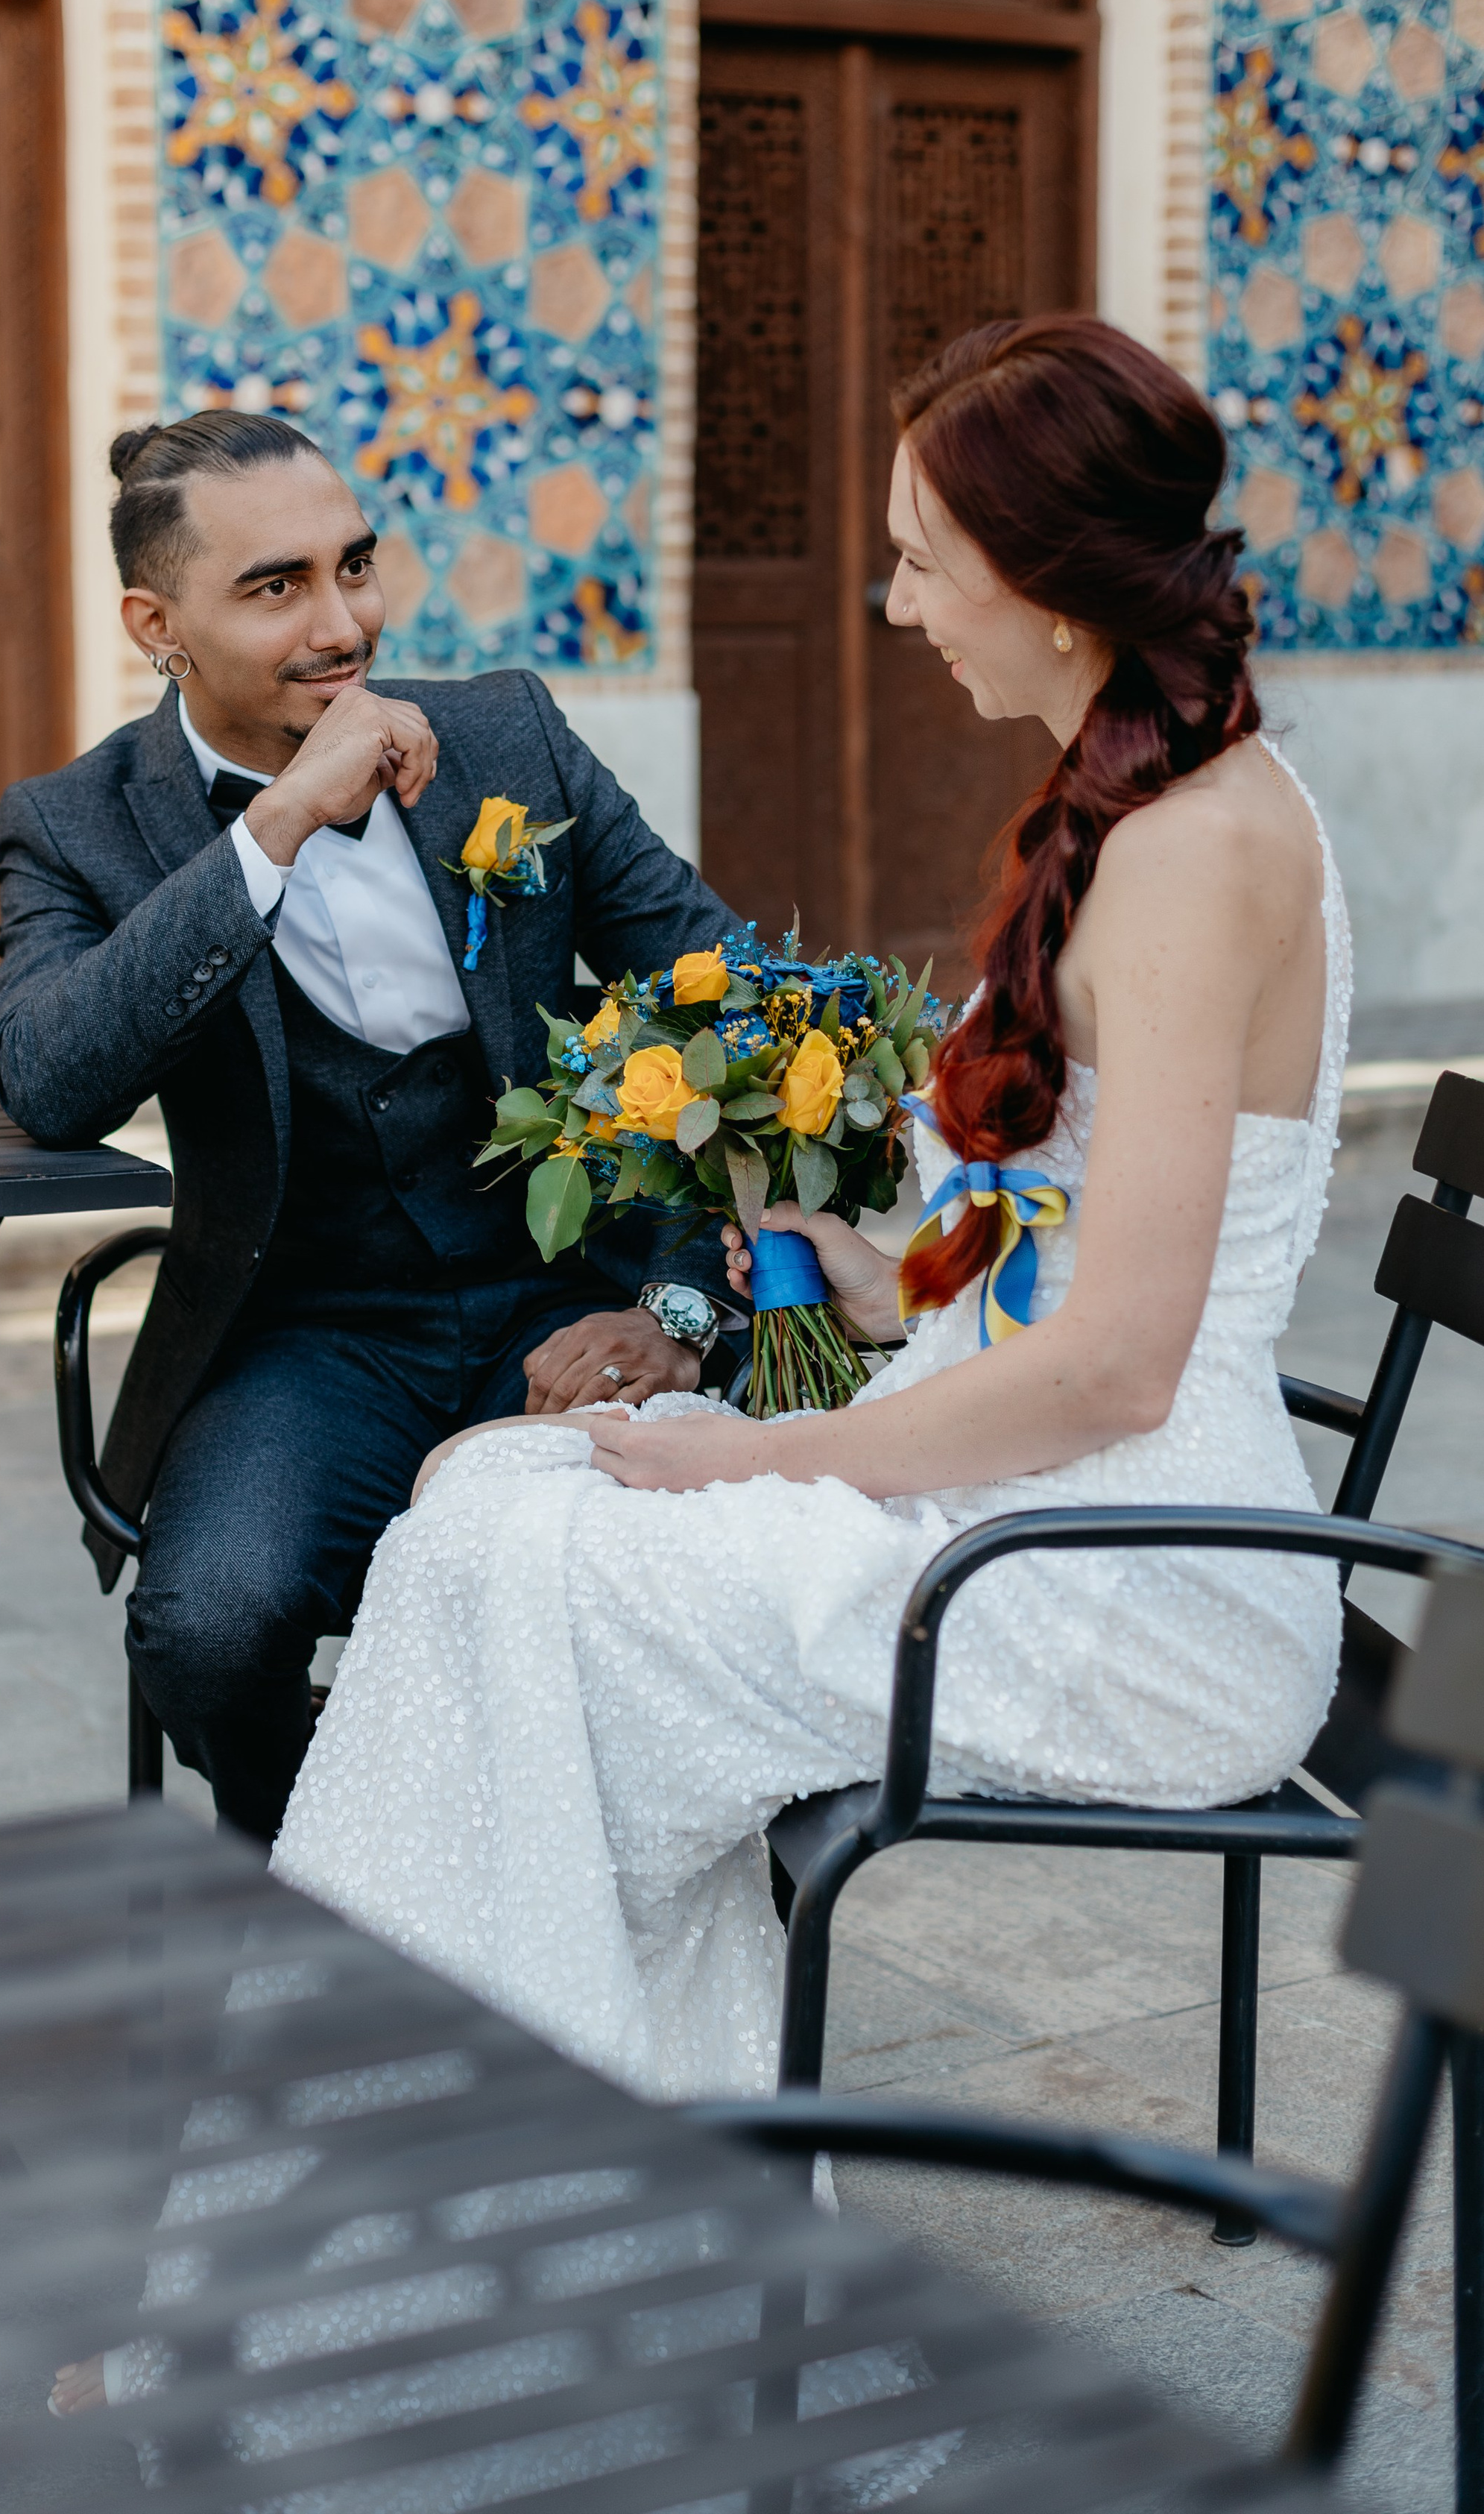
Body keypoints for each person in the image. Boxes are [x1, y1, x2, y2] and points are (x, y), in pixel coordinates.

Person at [274, 315, 1350, 2105]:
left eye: (925, 563)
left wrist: (758, 1462)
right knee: (484, 1499)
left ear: (1054, 588)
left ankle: (444, 2168)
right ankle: (565, 2144)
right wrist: (881, 1279)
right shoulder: (1130, 806)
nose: (898, 602)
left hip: (1129, 1589)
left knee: (502, 1552)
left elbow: (1116, 1374)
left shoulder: (1187, 855)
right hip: (1029, 1511)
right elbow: (1059, 1255)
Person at [0, 409, 742, 1842]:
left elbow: (734, 1008)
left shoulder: (507, 734)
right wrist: (267, 834)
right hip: (310, 1332)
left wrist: (682, 1298)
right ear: (160, 623)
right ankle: (362, 1886)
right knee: (207, 1634)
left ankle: (644, 1930)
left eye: (355, 567)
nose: (341, 626)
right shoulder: (76, 824)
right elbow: (47, 1075)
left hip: (569, 1296)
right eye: (275, 588)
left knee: (668, 1612)